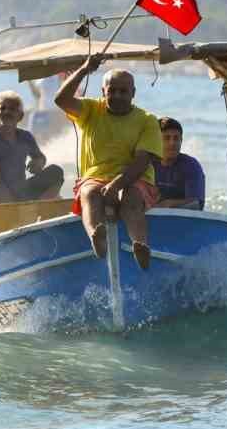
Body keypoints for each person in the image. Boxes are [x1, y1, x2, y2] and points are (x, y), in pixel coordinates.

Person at [55, 56, 164, 269]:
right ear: (103, 92)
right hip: (95, 178)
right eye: (112, 90)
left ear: (133, 94)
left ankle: (139, 244)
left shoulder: (147, 120)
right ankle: (97, 236)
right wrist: (84, 69)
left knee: (131, 197)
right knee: (89, 193)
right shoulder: (91, 109)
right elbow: (61, 100)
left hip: (135, 179)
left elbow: (142, 162)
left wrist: (116, 185)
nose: (117, 95)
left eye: (123, 91)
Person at [0, 90, 64, 204]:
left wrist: (38, 162)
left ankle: (40, 208)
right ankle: (20, 210)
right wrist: (15, 203)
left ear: (20, 116)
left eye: (12, 109)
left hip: (21, 192)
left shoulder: (26, 136)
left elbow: (40, 158)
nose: (7, 112)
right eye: (2, 108)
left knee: (56, 171)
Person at [153, 118, 205, 209]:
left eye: (176, 138)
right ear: (156, 140)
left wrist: (167, 204)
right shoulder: (148, 164)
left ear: (181, 140)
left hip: (182, 219)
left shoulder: (191, 165)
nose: (172, 143)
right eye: (167, 138)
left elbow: (196, 204)